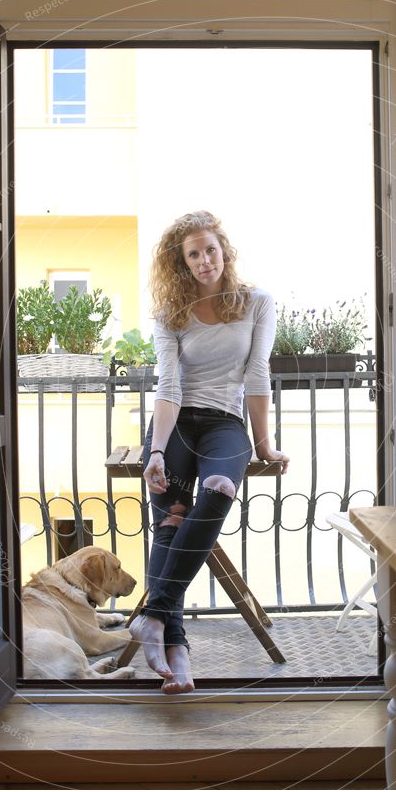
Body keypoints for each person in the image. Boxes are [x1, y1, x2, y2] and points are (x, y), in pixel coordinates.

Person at [129, 211, 289, 694]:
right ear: (182, 263)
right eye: (193, 254)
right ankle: (178, 658)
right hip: (176, 424)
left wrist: (264, 444)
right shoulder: (169, 314)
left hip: (224, 423)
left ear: (225, 250)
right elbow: (169, 385)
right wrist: (155, 452)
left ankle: (153, 616)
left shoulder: (257, 303)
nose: (204, 261)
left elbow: (257, 373)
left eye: (210, 249)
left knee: (219, 487)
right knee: (172, 520)